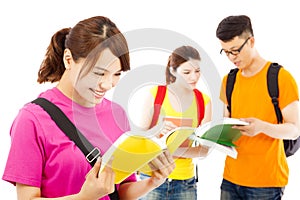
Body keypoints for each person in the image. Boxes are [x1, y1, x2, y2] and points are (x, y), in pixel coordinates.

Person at [2, 16, 176, 200]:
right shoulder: (32, 119)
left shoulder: (116, 113)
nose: (107, 84)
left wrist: (153, 182)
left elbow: (120, 191)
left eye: (116, 74)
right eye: (98, 73)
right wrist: (84, 197)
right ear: (69, 60)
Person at [216, 15, 300, 199]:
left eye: (235, 50)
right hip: (230, 179)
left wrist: (261, 127)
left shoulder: (280, 78)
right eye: (226, 52)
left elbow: (294, 130)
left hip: (266, 183)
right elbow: (225, 122)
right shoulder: (228, 81)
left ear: (251, 41)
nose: (231, 58)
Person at [135, 45, 212, 199]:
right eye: (187, 72)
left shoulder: (203, 102)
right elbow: (138, 136)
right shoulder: (156, 94)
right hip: (151, 178)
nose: (194, 77)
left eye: (197, 71)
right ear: (172, 71)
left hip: (185, 182)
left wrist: (171, 150)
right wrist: (155, 131)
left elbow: (204, 150)